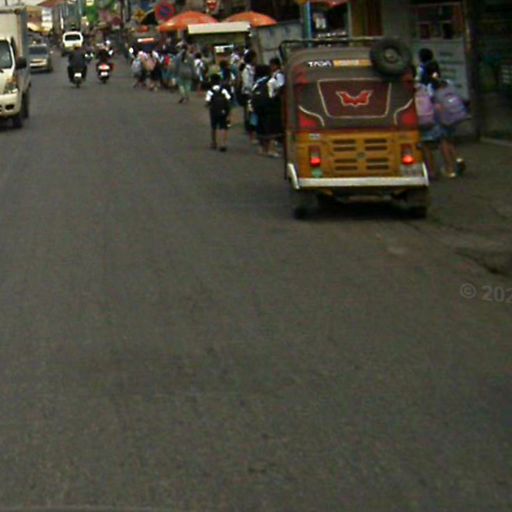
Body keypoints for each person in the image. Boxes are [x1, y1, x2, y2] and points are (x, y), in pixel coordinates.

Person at [205, 73, 231, 152]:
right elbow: (228, 99)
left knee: (214, 127)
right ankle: (223, 144)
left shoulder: (210, 91)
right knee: (223, 126)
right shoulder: (223, 90)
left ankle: (214, 142)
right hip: (223, 110)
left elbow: (207, 101)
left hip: (213, 110)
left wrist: (208, 105)